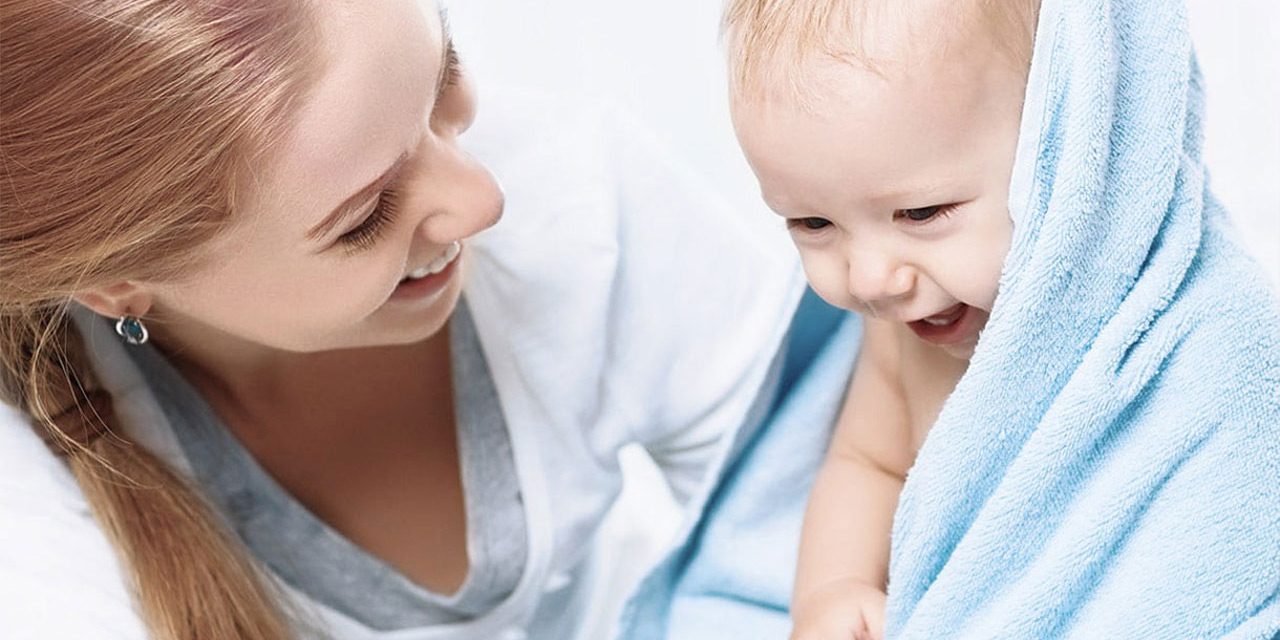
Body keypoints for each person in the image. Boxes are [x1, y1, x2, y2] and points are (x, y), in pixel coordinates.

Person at [0, 1, 803, 639]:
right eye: (364, 218)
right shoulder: (35, 505)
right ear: (115, 286)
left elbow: (813, 515)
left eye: (443, 77)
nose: (481, 199)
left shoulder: (577, 198)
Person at [722, 0, 1280, 638]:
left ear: (1072, 152)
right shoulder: (904, 328)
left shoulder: (1209, 339)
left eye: (923, 213)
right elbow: (867, 460)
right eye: (813, 222)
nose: (869, 279)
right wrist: (831, 592)